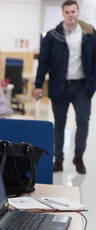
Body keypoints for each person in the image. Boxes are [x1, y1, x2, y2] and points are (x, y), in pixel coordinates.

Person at [34, 0, 96, 174]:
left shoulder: (89, 33)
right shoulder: (53, 36)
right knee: (59, 124)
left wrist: (93, 83)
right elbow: (43, 62)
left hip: (82, 87)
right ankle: (58, 159)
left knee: (83, 121)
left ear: (78, 12)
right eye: (67, 12)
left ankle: (78, 158)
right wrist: (38, 85)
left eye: (73, 11)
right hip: (59, 87)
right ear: (63, 14)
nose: (71, 15)